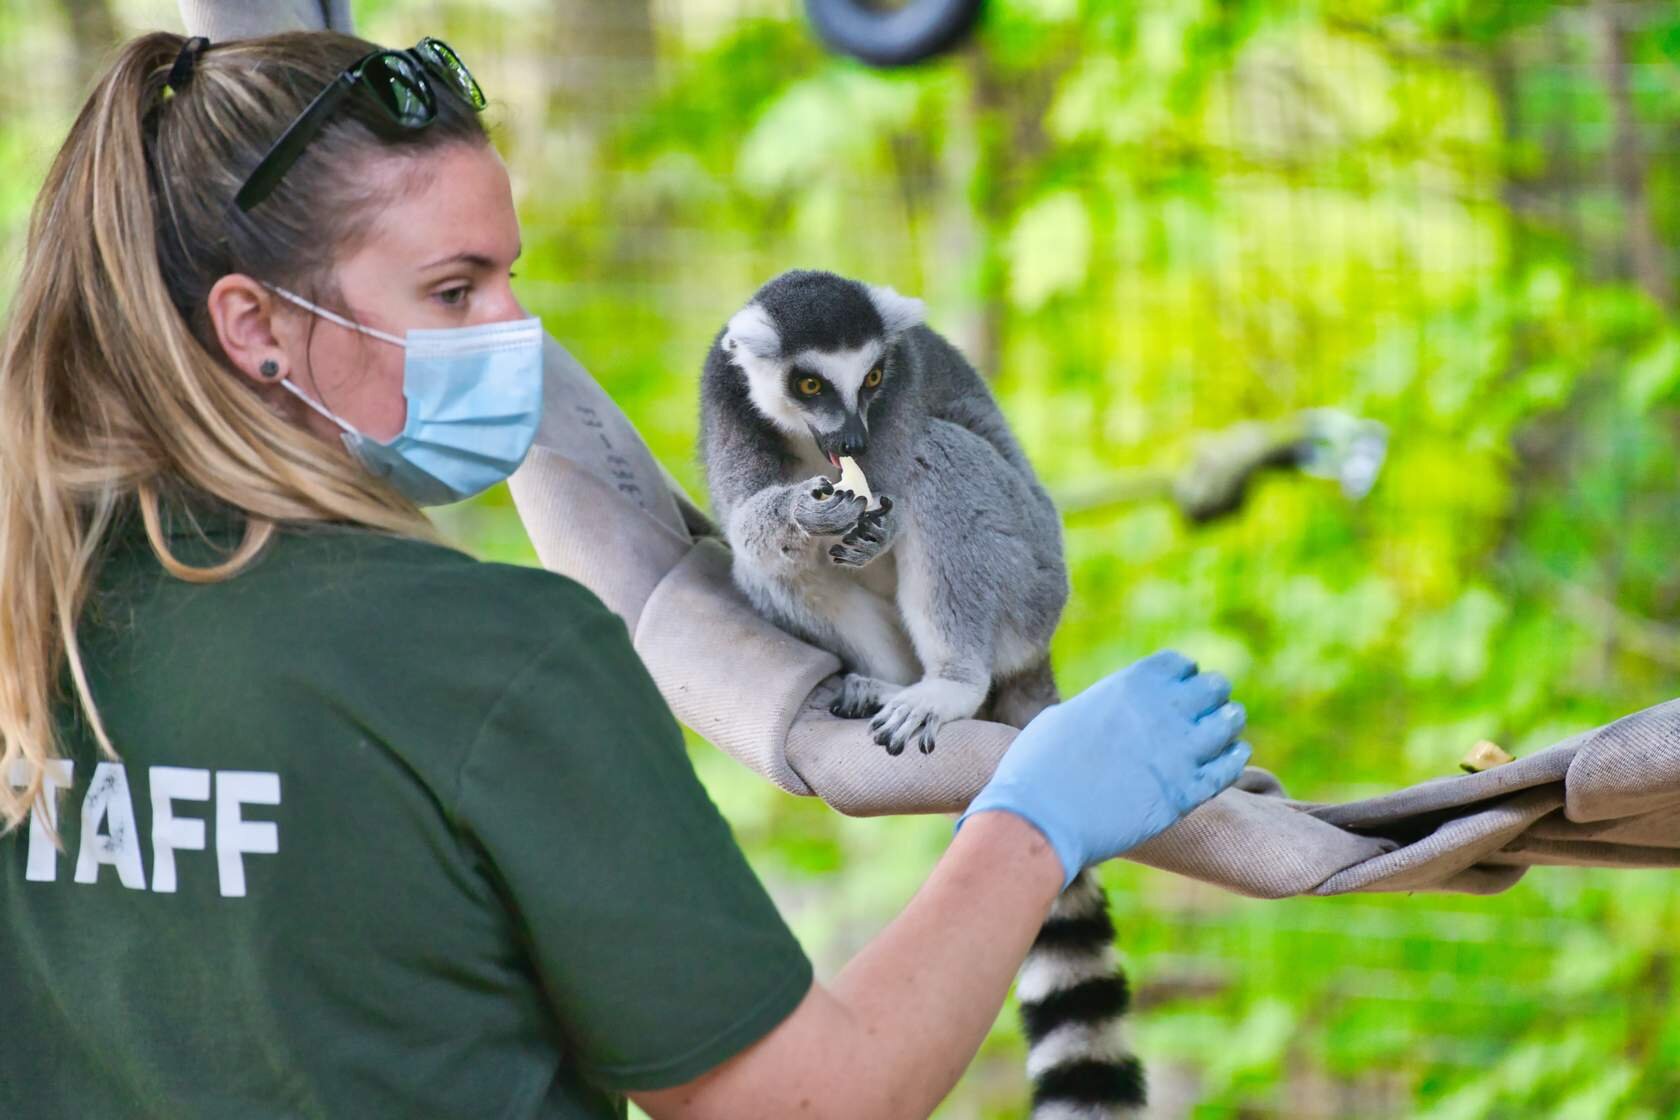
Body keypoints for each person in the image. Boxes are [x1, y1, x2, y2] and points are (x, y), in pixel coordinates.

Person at [0, 30, 1250, 1119]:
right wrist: (1033, 824)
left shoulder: (33, 605)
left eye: (509, 277)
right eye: (453, 291)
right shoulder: (483, 654)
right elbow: (805, 1099)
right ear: (254, 326)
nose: (514, 337)